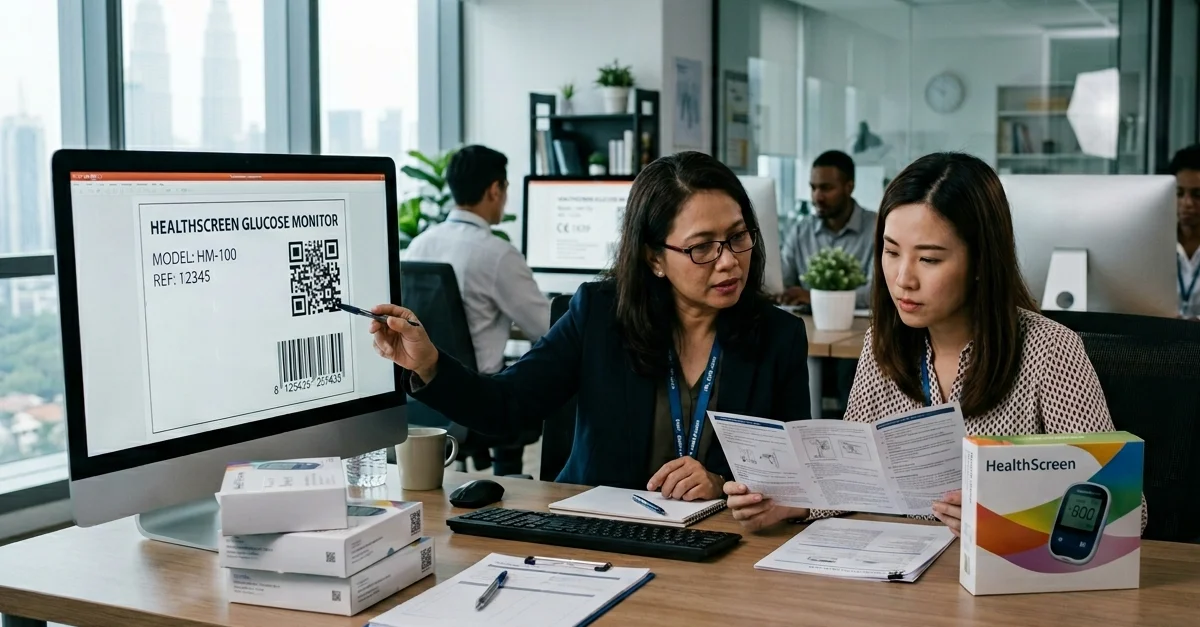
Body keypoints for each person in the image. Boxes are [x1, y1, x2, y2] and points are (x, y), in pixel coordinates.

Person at [725, 152, 1147, 534]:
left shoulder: (1050, 351)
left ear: (981, 261)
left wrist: (1007, 519)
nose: (903, 278)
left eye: (928, 259)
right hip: (897, 578)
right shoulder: (882, 345)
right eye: (891, 252)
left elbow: (1125, 509)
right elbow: (852, 482)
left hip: (1002, 590)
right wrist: (793, 506)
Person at [369, 151, 811, 498]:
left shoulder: (778, 337)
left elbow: (792, 479)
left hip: (717, 550)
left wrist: (719, 484)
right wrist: (429, 364)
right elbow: (506, 406)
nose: (729, 261)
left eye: (737, 237)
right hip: (599, 533)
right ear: (654, 258)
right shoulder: (601, 315)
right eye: (702, 248)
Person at [404, 145, 549, 475]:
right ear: (495, 189)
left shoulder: (418, 244)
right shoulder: (497, 254)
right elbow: (546, 329)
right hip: (481, 401)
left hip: (426, 397)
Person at [779, 150, 877, 310]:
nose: (817, 197)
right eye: (813, 188)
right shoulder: (800, 231)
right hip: (808, 324)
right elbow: (783, 281)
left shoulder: (877, 229)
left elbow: (875, 293)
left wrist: (813, 298)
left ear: (849, 187)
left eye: (826, 188)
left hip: (858, 328)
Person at [1171, 144, 1200, 319]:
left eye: (1198, 195)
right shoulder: (1153, 244)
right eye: (1179, 193)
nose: (1187, 203)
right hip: (1162, 341)